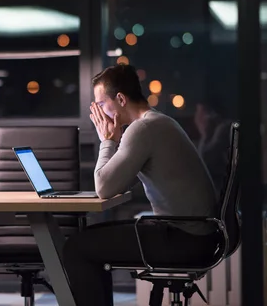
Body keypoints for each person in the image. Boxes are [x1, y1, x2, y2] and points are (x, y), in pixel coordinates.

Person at [62, 65, 220, 306]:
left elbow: (103, 187)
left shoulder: (142, 128)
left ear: (121, 99)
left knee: (77, 248)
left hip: (185, 239)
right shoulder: (158, 122)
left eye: (101, 105)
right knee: (89, 239)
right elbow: (118, 179)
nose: (100, 114)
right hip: (199, 234)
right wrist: (115, 146)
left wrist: (108, 141)